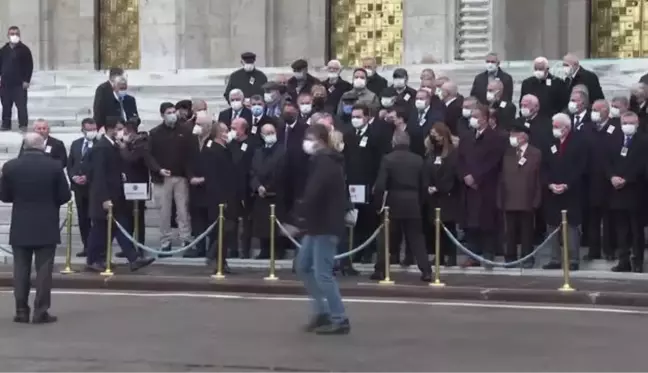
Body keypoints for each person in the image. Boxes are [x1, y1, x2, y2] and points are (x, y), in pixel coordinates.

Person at [0, 133, 70, 323]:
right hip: (46, 222)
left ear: (24, 145)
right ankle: (41, 311)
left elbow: (4, 196)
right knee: (44, 271)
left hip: (21, 223)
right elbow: (65, 195)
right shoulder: (54, 166)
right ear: (42, 146)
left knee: (20, 270)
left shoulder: (10, 166)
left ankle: (21, 310)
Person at [294, 123, 350, 335]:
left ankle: (339, 317)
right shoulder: (319, 161)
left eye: (308, 138)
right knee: (304, 266)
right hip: (317, 224)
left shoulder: (325, 162)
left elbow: (314, 192)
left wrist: (296, 217)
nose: (306, 143)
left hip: (325, 224)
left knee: (322, 274)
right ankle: (322, 311)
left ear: (318, 139)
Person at [86, 117, 155, 272]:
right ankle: (94, 259)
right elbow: (99, 175)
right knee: (100, 230)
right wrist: (104, 198)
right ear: (109, 129)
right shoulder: (102, 147)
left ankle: (132, 258)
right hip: (105, 197)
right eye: (118, 128)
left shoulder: (114, 146)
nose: (122, 131)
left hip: (116, 196)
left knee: (119, 227)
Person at [372, 130, 432, 282]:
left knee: (386, 238)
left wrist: (379, 205)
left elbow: (380, 185)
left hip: (393, 201)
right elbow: (424, 185)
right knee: (416, 238)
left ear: (394, 142)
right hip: (413, 202)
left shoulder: (388, 159)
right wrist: (420, 202)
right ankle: (426, 271)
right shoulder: (418, 160)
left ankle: (380, 270)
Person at [457, 104, 506, 267]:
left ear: (485, 119)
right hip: (468, 187)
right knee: (471, 222)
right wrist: (465, 175)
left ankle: (488, 255)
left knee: (487, 222)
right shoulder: (466, 137)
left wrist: (476, 177)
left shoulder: (496, 138)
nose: (472, 119)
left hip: (486, 186)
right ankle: (473, 254)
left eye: (475, 116)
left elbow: (494, 161)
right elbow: (460, 159)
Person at [541, 113, 587, 271]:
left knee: (571, 225)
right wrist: (550, 184)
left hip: (571, 191)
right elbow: (544, 165)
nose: (554, 129)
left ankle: (573, 259)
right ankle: (555, 258)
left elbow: (581, 167)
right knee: (552, 224)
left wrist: (567, 185)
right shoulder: (550, 142)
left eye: (557, 127)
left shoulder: (579, 142)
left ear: (566, 128)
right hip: (552, 191)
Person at [148, 102, 194, 256]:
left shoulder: (185, 131)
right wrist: (158, 169)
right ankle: (165, 241)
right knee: (164, 212)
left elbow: (189, 155)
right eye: (169, 112)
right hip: (162, 179)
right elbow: (149, 156)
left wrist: (189, 175)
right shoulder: (154, 133)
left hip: (180, 177)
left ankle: (186, 238)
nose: (173, 114)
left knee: (182, 210)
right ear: (162, 115)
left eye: (174, 111)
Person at [496, 123, 542, 268]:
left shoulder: (535, 153)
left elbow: (539, 178)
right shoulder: (508, 153)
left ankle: (527, 257)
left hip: (527, 198)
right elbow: (501, 177)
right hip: (509, 198)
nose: (512, 138)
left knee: (527, 231)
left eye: (514, 135)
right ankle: (510, 257)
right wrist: (500, 197)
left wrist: (537, 199)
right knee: (509, 231)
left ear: (523, 136)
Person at [607, 112, 646, 272]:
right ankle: (623, 261)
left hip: (636, 191)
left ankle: (637, 261)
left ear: (637, 124)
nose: (627, 125)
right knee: (621, 230)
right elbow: (606, 161)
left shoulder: (644, 141)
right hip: (617, 193)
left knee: (636, 230)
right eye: (625, 122)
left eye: (631, 122)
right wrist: (612, 177)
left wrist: (627, 179)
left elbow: (642, 164)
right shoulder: (614, 139)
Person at [423, 122, 460, 267]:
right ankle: (439, 255)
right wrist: (428, 186)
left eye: (437, 135)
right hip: (433, 197)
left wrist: (439, 187)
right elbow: (426, 169)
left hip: (447, 195)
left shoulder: (452, 152)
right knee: (435, 228)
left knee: (448, 227)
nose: (435, 138)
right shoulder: (431, 152)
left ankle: (451, 256)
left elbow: (451, 173)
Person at [250, 123, 287, 259]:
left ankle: (277, 250)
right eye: (267, 133)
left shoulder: (282, 151)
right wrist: (257, 186)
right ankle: (264, 249)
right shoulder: (258, 151)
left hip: (275, 193)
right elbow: (253, 171)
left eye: (272, 132)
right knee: (262, 224)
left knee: (275, 223)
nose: (270, 135)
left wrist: (267, 187)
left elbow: (281, 172)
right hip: (260, 193)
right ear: (261, 135)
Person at [119, 117, 155, 251]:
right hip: (126, 184)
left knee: (138, 216)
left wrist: (124, 148)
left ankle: (140, 245)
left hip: (138, 185)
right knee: (127, 217)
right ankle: (128, 247)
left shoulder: (141, 143)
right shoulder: (127, 144)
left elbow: (131, 159)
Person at [226, 117, 259, 258]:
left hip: (246, 187)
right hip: (232, 187)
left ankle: (245, 250)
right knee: (231, 219)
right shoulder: (229, 144)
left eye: (235, 128)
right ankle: (232, 249)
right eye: (231, 127)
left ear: (243, 129)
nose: (232, 130)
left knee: (247, 221)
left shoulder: (253, 143)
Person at [67, 118, 98, 257]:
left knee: (95, 218)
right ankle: (86, 245)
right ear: (83, 130)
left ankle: (96, 247)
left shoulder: (100, 144)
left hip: (94, 187)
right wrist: (73, 177)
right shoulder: (76, 144)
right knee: (83, 218)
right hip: (79, 188)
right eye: (88, 129)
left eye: (93, 129)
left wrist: (88, 177)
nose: (91, 132)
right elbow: (70, 164)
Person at [0, 26, 33, 131]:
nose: (14, 36)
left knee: (21, 106)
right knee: (5, 105)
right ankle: (5, 125)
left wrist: (27, 80)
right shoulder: (3, 50)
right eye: (12, 34)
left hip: (19, 84)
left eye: (16, 34)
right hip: (5, 83)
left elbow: (29, 65)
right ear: (8, 35)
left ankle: (23, 125)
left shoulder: (24, 49)